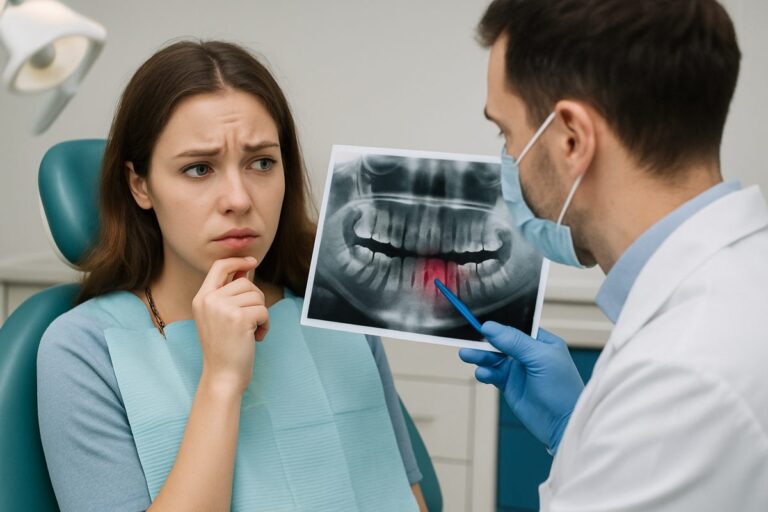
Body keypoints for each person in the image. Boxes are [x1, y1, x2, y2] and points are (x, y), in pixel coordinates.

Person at [37, 41, 426, 512]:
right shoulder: (83, 348)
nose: (239, 199)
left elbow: (404, 498)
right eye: (199, 168)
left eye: (261, 162)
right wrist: (221, 381)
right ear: (140, 184)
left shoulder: (335, 307)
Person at [458, 0, 768, 510]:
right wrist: (575, 429)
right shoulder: (731, 291)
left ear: (572, 139)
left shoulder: (681, 376)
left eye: (506, 132)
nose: (508, 158)